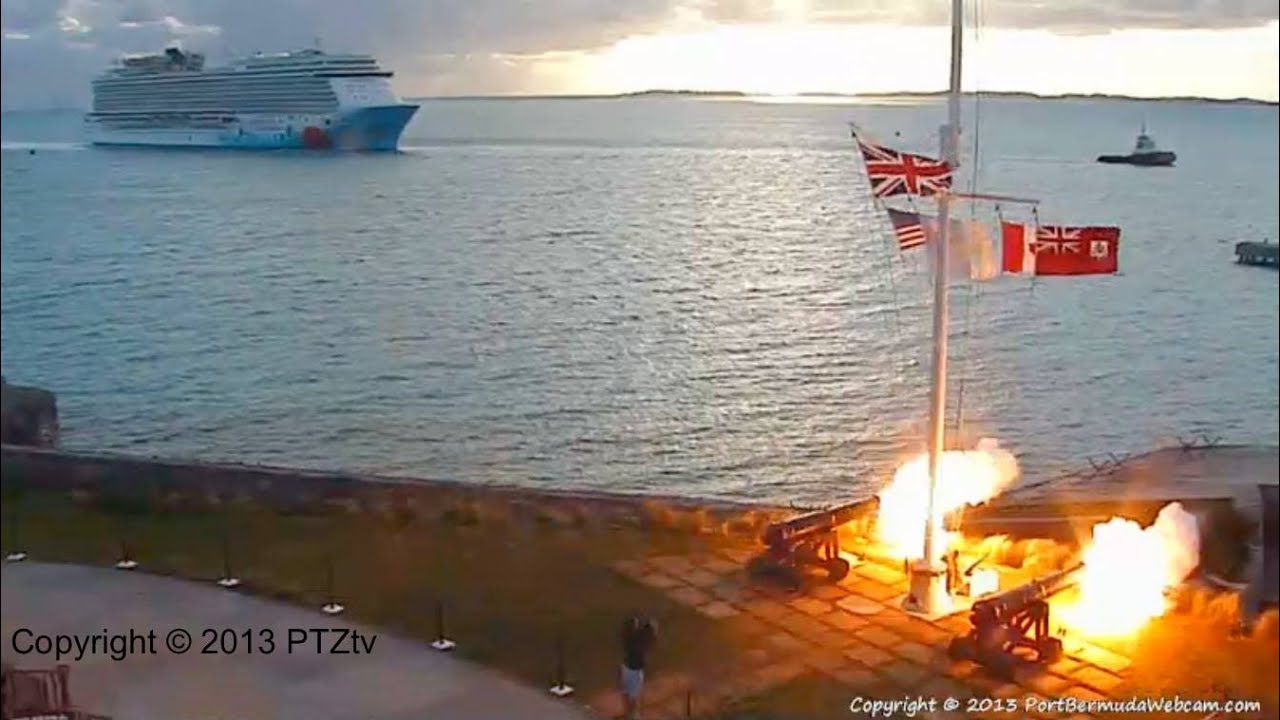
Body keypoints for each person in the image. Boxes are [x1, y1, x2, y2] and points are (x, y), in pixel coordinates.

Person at [619, 613, 657, 719]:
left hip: (626, 668)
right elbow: (650, 632)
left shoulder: (627, 637)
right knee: (633, 697)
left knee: (626, 694)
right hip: (635, 671)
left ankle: (628, 714)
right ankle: (633, 716)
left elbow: (646, 632)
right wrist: (649, 624)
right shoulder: (639, 640)